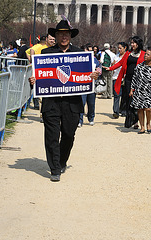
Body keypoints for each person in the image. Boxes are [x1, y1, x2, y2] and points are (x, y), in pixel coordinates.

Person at [29, 20, 98, 182]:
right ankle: (54, 168)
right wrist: (33, 80)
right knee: (52, 135)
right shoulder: (46, 54)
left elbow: (88, 74)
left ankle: (61, 161)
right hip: (51, 102)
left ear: (70, 36)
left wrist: (94, 76)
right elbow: (39, 76)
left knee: (68, 134)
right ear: (56, 36)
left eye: (66, 34)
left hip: (72, 103)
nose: (64, 36)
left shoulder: (79, 54)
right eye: (60, 34)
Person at [104, 36, 145, 128]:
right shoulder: (128, 53)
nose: (132, 44)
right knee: (127, 99)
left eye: (133, 43)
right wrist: (110, 68)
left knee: (136, 100)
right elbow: (120, 63)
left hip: (139, 80)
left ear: (138, 44)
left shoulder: (143, 54)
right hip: (128, 80)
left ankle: (136, 121)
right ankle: (129, 119)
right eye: (131, 43)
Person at [78, 44, 102, 127]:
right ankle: (80, 120)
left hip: (92, 85)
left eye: (91, 51)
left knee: (91, 103)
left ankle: (91, 118)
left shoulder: (95, 60)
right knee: (81, 103)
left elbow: (99, 68)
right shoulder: (79, 60)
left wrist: (97, 72)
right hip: (82, 85)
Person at [129, 48, 151, 134]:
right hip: (139, 90)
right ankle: (142, 127)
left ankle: (148, 124)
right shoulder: (139, 66)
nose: (145, 56)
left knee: (148, 109)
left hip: (149, 90)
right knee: (140, 109)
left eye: (148, 54)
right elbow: (134, 78)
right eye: (145, 54)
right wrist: (132, 90)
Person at [112, 42, 128, 118]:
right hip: (116, 77)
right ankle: (116, 111)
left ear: (125, 48)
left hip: (125, 78)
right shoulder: (116, 56)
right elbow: (113, 66)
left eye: (120, 48)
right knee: (116, 95)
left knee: (125, 95)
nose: (119, 49)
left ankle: (123, 110)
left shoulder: (128, 56)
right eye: (118, 48)